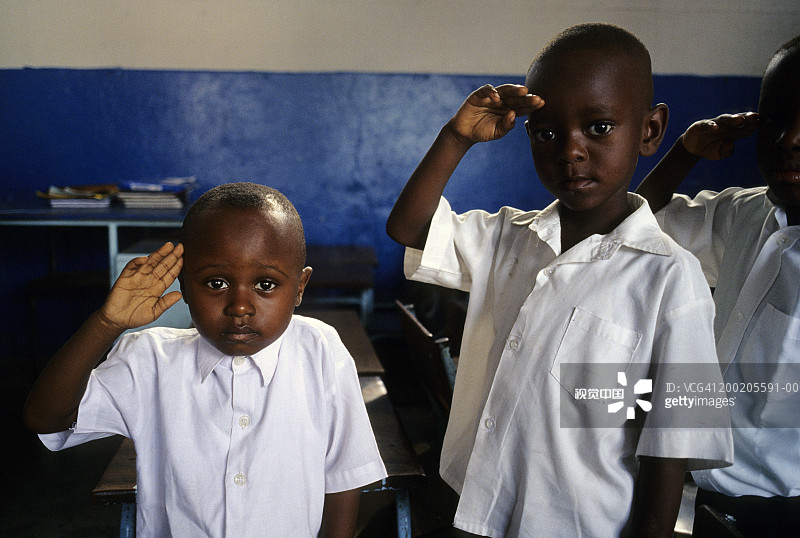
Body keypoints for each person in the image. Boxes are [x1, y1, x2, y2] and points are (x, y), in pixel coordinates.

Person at [386, 23, 732, 537]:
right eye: (547, 133)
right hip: (476, 506)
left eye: (599, 127)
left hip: (579, 524)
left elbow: (672, 444)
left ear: (650, 131)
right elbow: (408, 228)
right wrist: (456, 138)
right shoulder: (508, 238)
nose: (570, 150)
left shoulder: (669, 275)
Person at [23, 182, 387, 537]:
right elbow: (44, 418)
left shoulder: (320, 350)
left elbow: (343, 475)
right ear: (183, 285)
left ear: (300, 288)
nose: (240, 307)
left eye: (265, 284)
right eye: (216, 283)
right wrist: (106, 324)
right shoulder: (149, 360)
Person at [636, 34, 800, 537]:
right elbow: (637, 226)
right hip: (701, 497)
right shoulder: (746, 212)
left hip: (780, 512)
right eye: (774, 119)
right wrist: (685, 152)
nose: (788, 139)